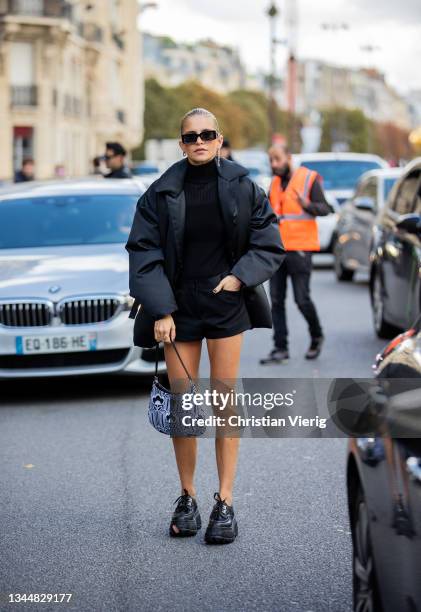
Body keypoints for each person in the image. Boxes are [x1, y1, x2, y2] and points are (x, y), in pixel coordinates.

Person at [125, 107, 284, 544]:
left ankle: (226, 501)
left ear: (219, 139)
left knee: (224, 400)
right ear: (181, 143)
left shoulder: (242, 186)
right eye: (190, 135)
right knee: (184, 405)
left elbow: (267, 238)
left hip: (226, 302)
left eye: (207, 134)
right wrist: (160, 310)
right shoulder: (160, 192)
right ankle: (187, 497)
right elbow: (143, 250)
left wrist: (238, 277)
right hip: (178, 306)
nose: (199, 140)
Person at [260, 143, 333, 365]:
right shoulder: (273, 183)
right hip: (277, 251)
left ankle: (316, 335)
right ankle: (280, 348)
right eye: (271, 161)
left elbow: (326, 208)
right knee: (276, 301)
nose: (274, 165)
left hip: (300, 249)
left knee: (302, 299)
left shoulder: (308, 179)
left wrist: (308, 205)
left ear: (288, 158)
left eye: (278, 160)